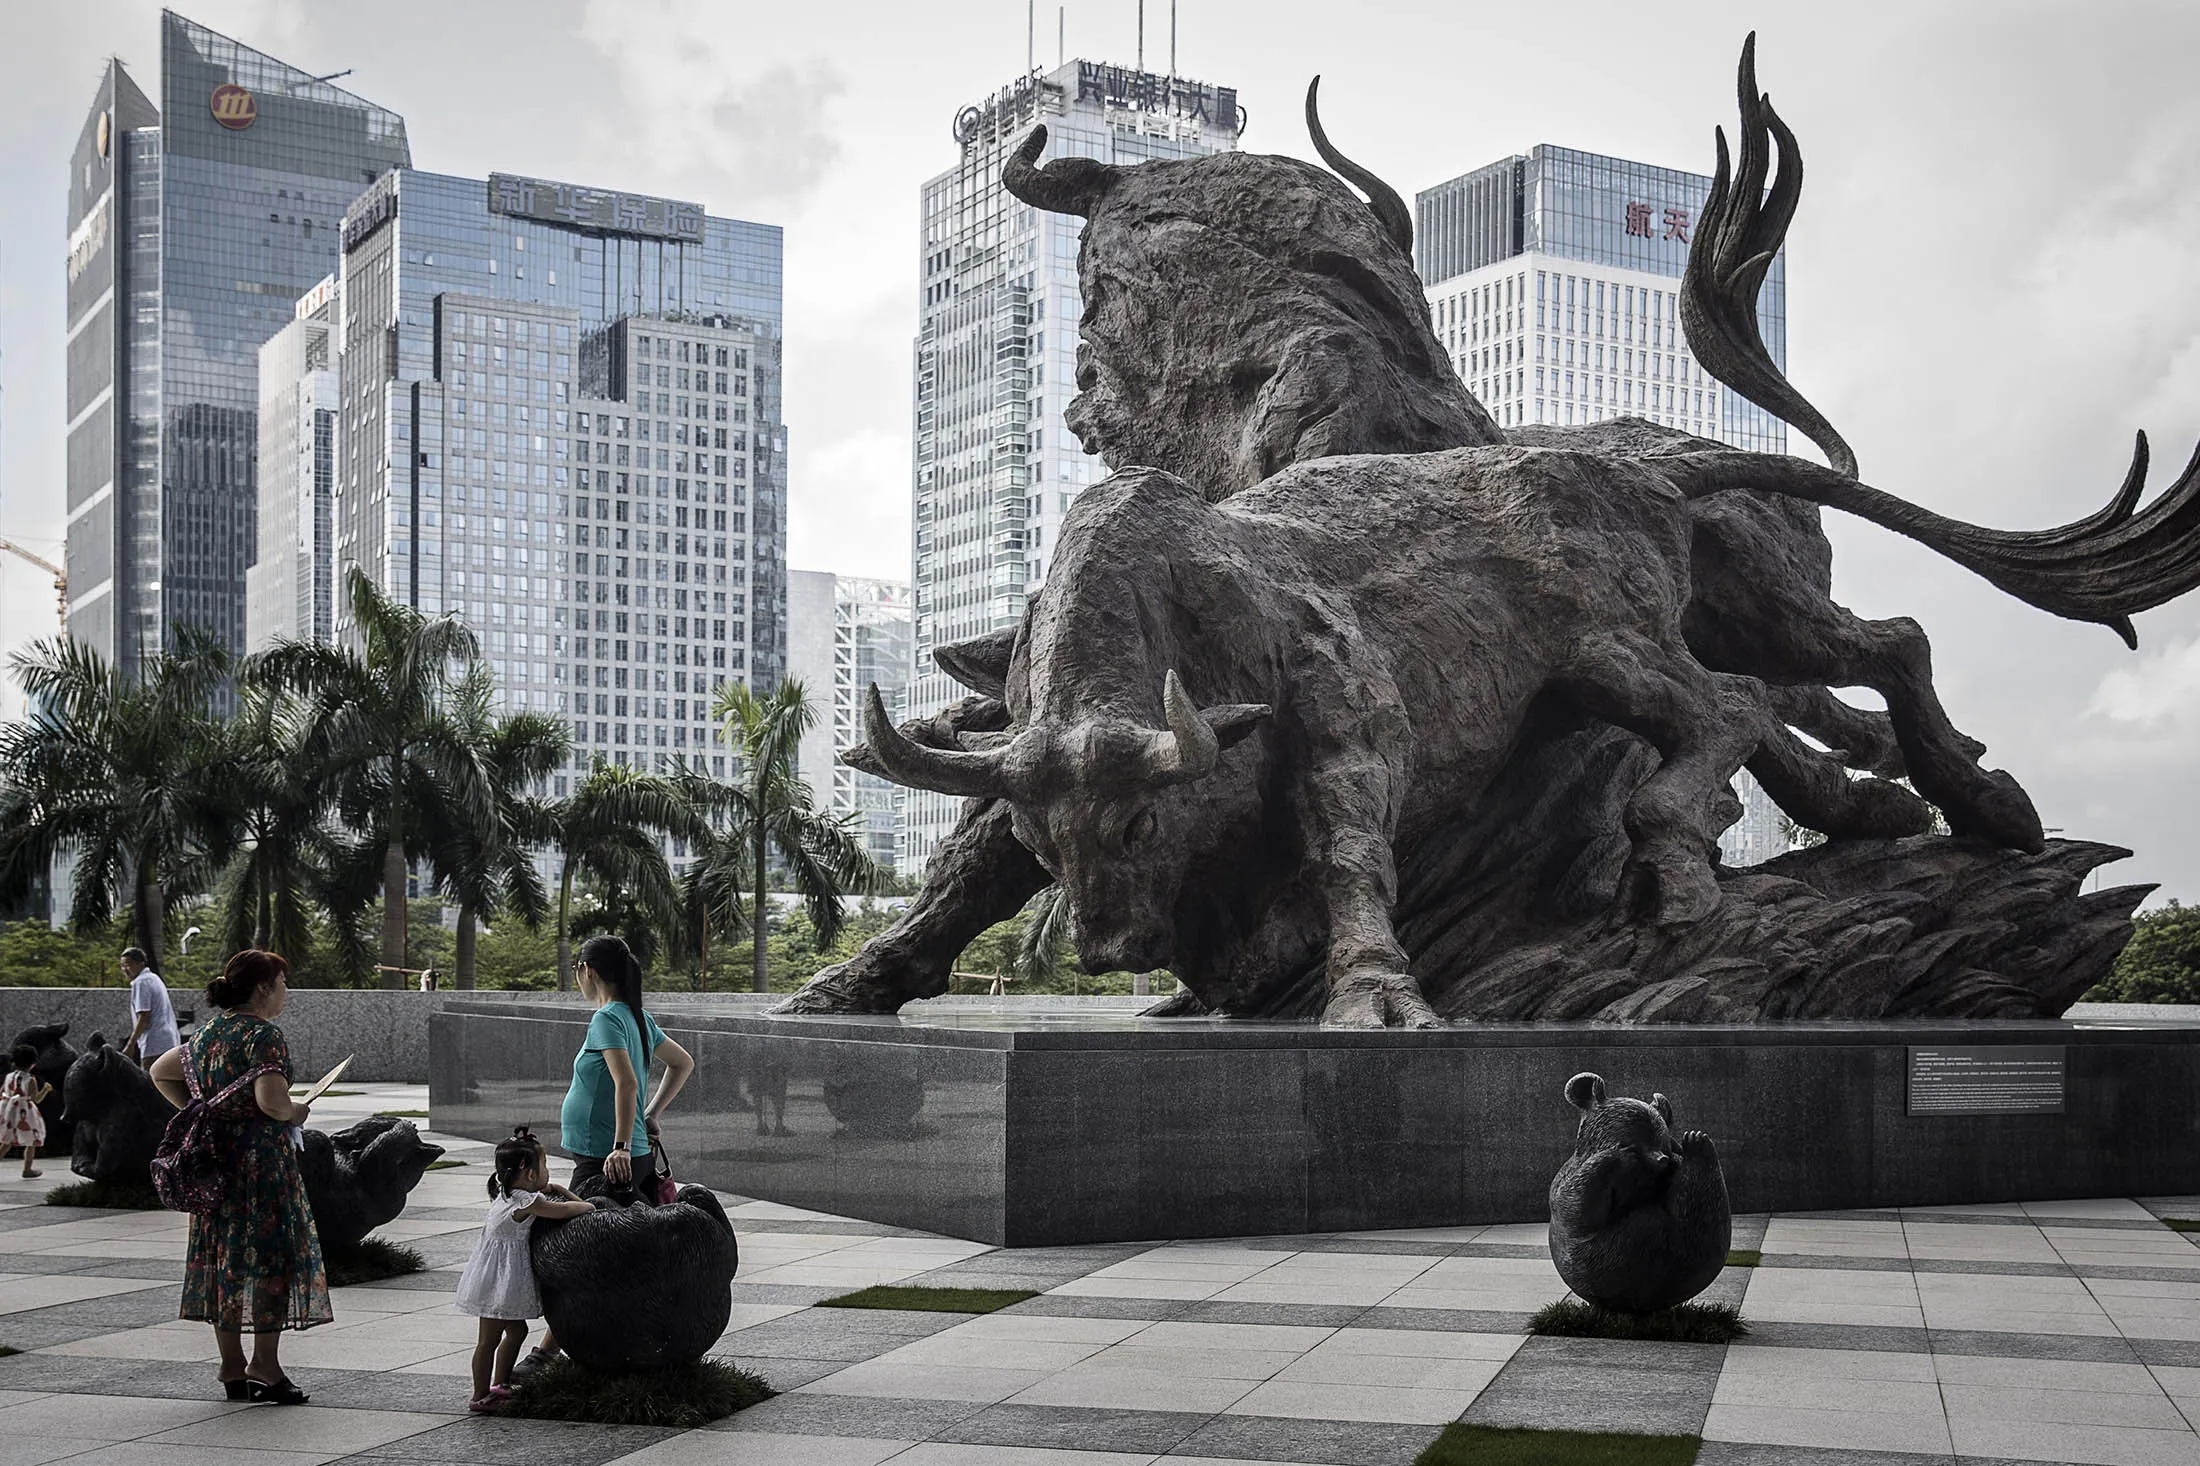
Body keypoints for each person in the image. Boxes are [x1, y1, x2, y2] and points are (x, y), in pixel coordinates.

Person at [148, 949, 329, 1405]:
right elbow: (272, 1103)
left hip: (216, 1166)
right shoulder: (263, 1035)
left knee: (223, 1261)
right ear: (264, 987)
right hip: (261, 1169)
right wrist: (298, 1110)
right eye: (283, 983)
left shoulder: (209, 1032)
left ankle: (231, 1366)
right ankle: (265, 1365)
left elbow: (160, 1072)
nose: (286, 993)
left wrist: (205, 1113)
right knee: (270, 1261)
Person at [511, 933, 694, 1379]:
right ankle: (585, 1345)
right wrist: (648, 1120)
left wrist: (621, 1145)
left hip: (605, 1159)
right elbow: (682, 1063)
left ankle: (549, 1352)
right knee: (613, 1250)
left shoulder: (609, 1018)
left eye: (577, 968)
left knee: (579, 1252)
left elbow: (627, 1082)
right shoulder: (636, 1016)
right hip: (613, 1154)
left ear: (588, 971)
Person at [453, 1127, 593, 1413]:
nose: (546, 1173)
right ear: (530, 1174)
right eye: (544, 1166)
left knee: (516, 1332)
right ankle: (481, 1395)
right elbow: (573, 1209)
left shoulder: (504, 1194)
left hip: (495, 1279)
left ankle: (500, 1386)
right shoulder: (527, 1202)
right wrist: (570, 1194)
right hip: (498, 1284)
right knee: (488, 1341)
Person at [122, 947, 179, 1068]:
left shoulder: (141, 982)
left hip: (154, 1045)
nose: (125, 969)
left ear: (141, 963)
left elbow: (144, 1017)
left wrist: (130, 1045)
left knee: (149, 1083)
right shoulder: (154, 978)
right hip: (168, 1042)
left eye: (128, 964)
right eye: (122, 965)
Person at [1, 1043, 51, 1179]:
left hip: (8, 1111)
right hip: (25, 1113)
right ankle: (27, 1169)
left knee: (6, 1141)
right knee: (31, 1141)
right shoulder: (30, 1080)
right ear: (33, 1063)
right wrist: (45, 1089)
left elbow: (2, 1092)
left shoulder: (9, 1077)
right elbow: (36, 1099)